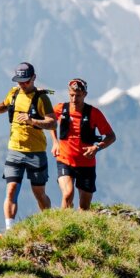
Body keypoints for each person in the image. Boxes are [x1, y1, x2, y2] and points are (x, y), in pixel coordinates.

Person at [0, 62, 55, 230]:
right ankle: (9, 229)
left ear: (34, 78)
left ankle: (50, 223)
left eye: (26, 81)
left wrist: (32, 121)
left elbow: (53, 123)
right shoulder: (14, 93)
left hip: (36, 152)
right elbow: (5, 105)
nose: (23, 85)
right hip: (14, 150)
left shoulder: (41, 98)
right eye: (19, 81)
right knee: (11, 190)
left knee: (39, 193)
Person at [51, 77, 116, 210]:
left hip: (86, 164)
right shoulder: (60, 108)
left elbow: (111, 136)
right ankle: (60, 225)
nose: (74, 99)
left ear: (85, 95)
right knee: (68, 194)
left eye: (78, 96)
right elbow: (50, 121)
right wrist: (55, 141)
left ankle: (78, 228)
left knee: (84, 206)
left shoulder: (94, 113)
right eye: (72, 95)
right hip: (64, 159)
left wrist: (97, 147)